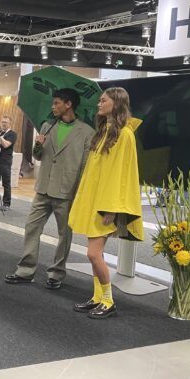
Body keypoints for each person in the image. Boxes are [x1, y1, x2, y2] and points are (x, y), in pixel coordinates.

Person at [4, 89, 94, 289]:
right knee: (31, 227)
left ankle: (56, 273)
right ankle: (26, 270)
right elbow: (38, 156)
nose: (53, 107)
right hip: (43, 188)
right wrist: (37, 145)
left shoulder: (87, 132)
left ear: (68, 104)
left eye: (56, 103)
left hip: (67, 190)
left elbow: (85, 166)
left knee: (64, 235)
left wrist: (79, 193)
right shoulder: (47, 126)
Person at [68, 87, 144, 319]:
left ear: (117, 103)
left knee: (93, 254)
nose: (99, 104)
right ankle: (97, 297)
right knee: (94, 254)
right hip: (94, 200)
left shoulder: (125, 134)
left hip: (107, 204)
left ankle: (108, 300)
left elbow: (122, 175)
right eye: (99, 101)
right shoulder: (103, 132)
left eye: (103, 101)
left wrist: (111, 208)